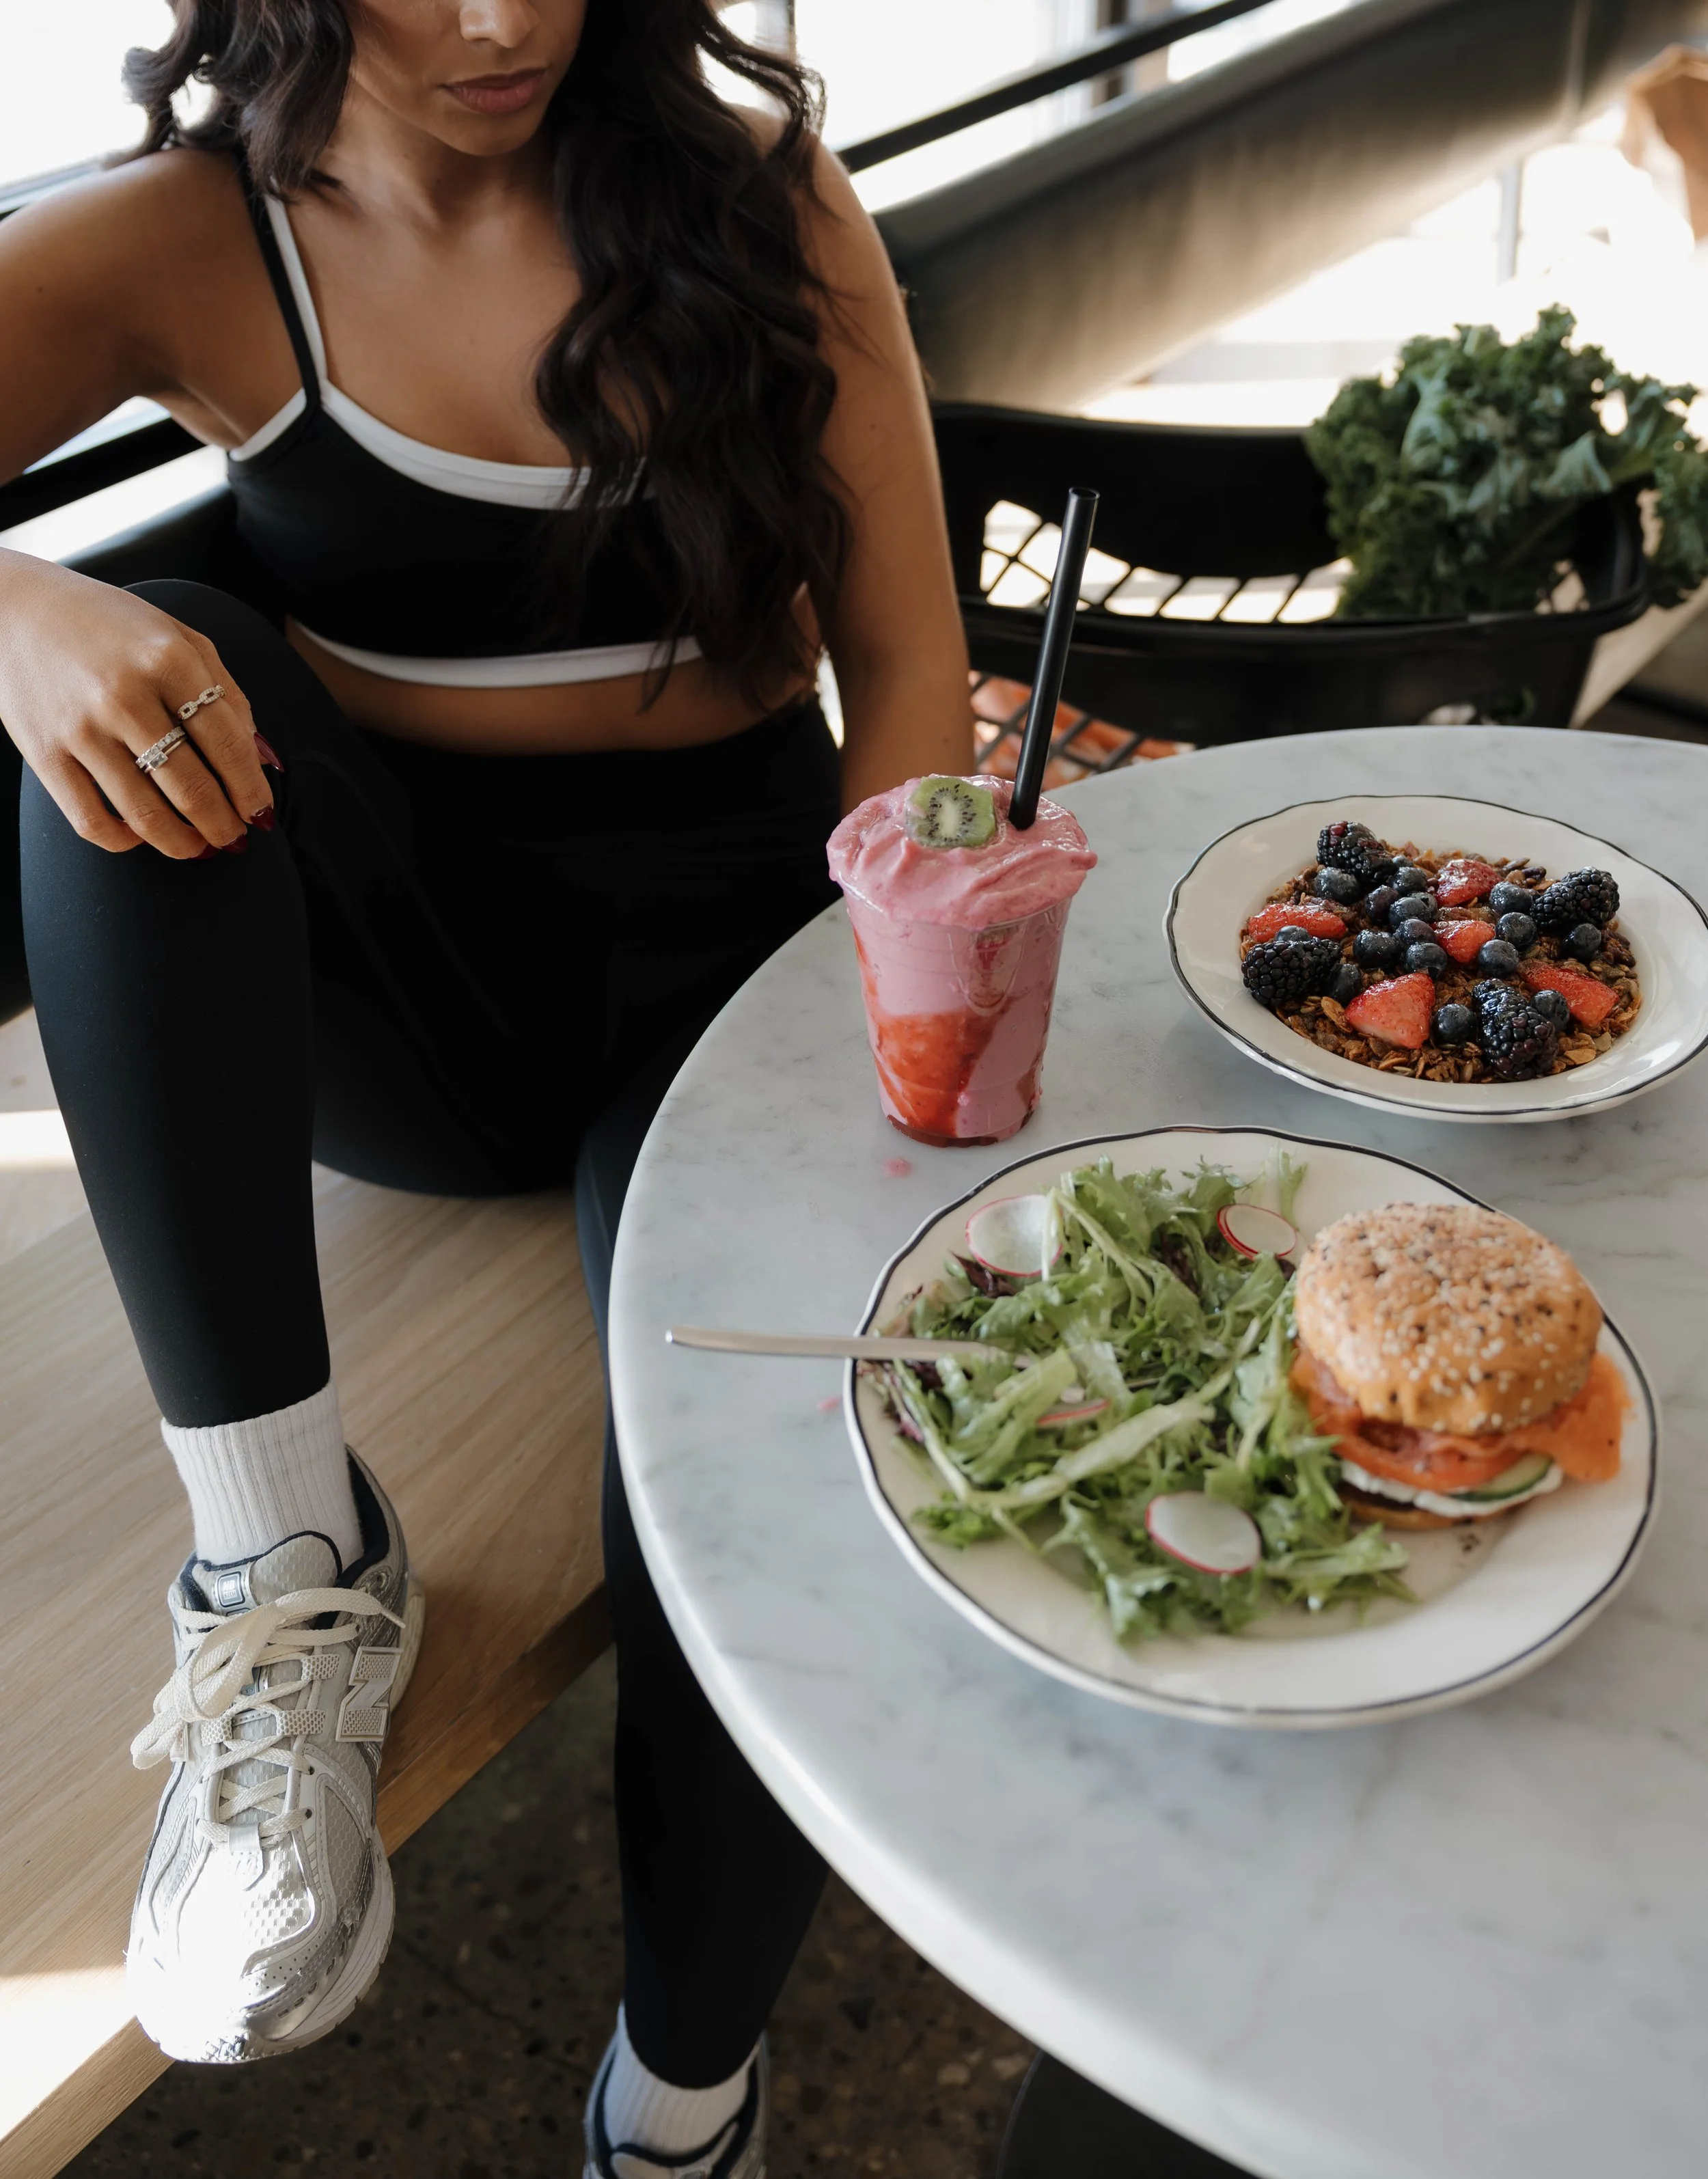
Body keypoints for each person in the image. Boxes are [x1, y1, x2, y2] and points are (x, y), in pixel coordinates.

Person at [0, 3, 971, 2171]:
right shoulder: (182, 241)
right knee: (153, 673)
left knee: (749, 1431)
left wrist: (891, 1012)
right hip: (409, 990)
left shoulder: (754, 193)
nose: (505, 16)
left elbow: (907, 660)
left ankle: (683, 2101)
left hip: (742, 956)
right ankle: (288, 1563)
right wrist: (12, 611)